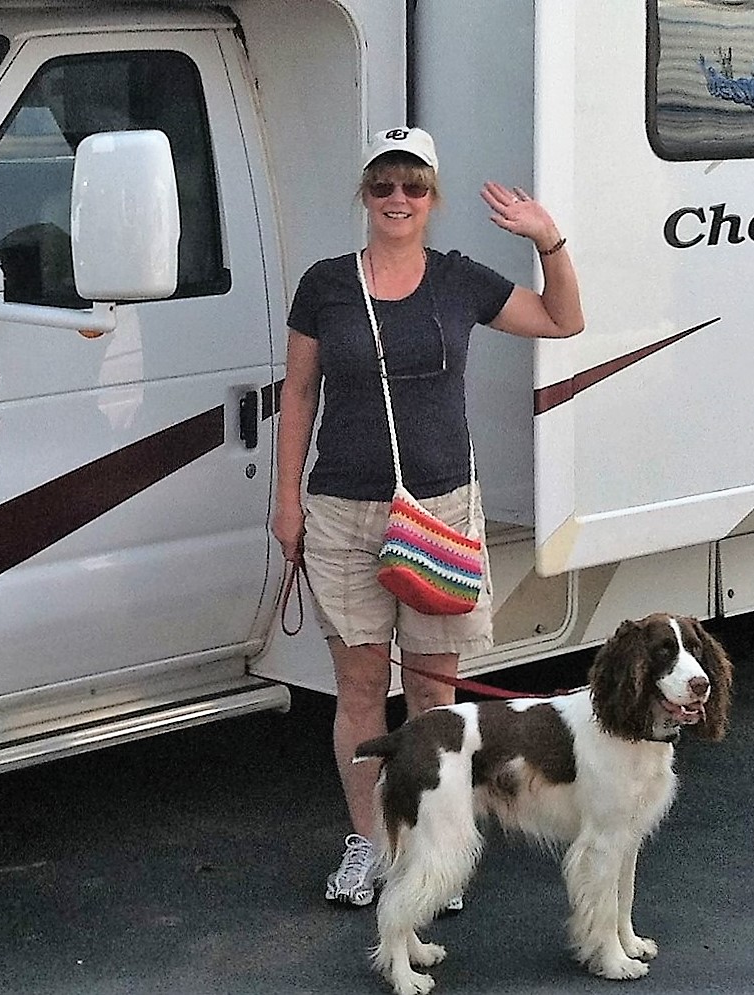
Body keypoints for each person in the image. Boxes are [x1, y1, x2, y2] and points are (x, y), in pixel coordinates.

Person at [274, 126, 584, 909]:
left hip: (440, 509)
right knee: (358, 690)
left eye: (413, 185)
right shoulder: (326, 284)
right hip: (342, 506)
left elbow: (561, 320)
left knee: (434, 700)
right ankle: (367, 844)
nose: (398, 199)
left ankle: (431, 854)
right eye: (383, 185)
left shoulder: (458, 280)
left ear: (432, 196)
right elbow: (299, 397)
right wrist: (284, 502)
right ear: (364, 194)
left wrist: (550, 239)